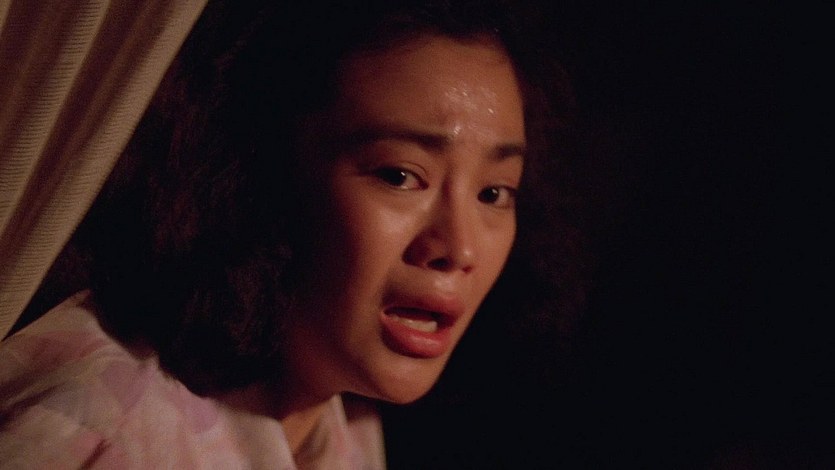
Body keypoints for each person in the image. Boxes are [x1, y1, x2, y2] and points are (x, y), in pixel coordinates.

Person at [0, 0, 579, 467]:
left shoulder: (345, 425)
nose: (460, 247)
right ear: (262, 172)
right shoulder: (105, 429)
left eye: (493, 193)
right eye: (400, 176)